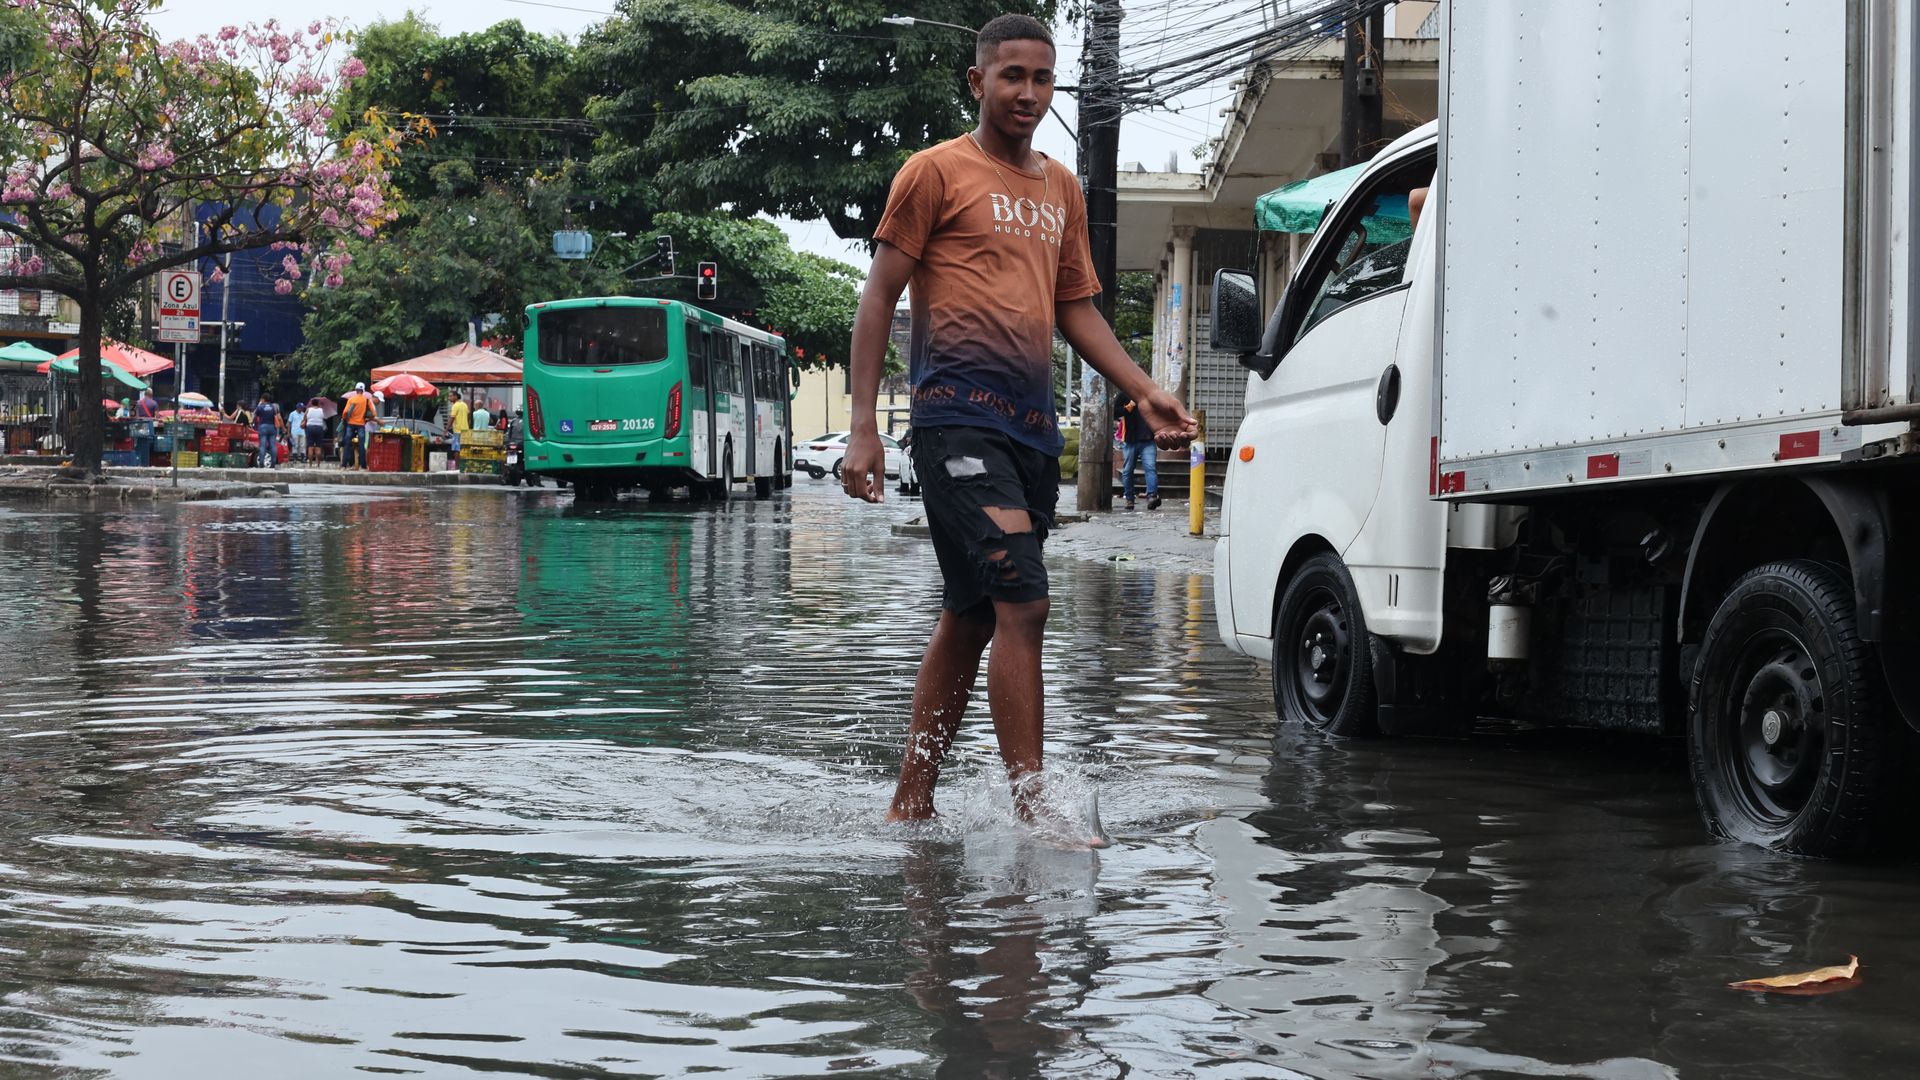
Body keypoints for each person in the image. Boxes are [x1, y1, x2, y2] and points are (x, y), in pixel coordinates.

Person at [842, 14, 1196, 844]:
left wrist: (1146, 390)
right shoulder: (934, 173)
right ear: (978, 83)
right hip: (954, 420)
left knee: (970, 612)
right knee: (1024, 601)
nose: (1028, 94)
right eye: (1012, 77)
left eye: (1042, 79)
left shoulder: (1062, 188)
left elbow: (1078, 309)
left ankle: (912, 801)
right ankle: (1034, 806)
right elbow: (878, 295)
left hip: (1032, 432)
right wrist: (864, 427)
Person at [1112, 390, 1161, 510]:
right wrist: (1128, 407)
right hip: (1130, 440)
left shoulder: (1150, 394)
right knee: (1127, 471)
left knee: (1150, 468)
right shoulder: (1124, 394)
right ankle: (1129, 499)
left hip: (1148, 439)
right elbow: (1114, 412)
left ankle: (1152, 496)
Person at [340, 383, 376, 469]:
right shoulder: (366, 400)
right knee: (361, 445)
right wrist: (367, 418)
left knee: (347, 444)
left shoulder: (351, 400)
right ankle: (363, 466)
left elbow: (345, 412)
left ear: (356, 390)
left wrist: (346, 418)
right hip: (361, 425)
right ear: (363, 390)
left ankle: (344, 465)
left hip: (350, 424)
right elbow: (374, 413)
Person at [253, 393, 280, 468]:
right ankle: (273, 463)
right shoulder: (273, 407)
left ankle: (261, 463)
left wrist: (259, 404)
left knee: (262, 446)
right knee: (273, 445)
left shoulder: (260, 407)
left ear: (263, 399)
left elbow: (254, 415)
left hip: (263, 427)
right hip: (272, 427)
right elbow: (278, 417)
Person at [448, 394, 470, 468]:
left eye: (451, 396)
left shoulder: (455, 405)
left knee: (456, 450)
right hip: (465, 430)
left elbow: (452, 418)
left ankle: (457, 467)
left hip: (458, 431)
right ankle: (463, 466)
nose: (449, 398)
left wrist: (446, 429)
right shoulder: (464, 405)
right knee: (463, 449)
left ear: (456, 397)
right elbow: (468, 416)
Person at [305, 398, 327, 464]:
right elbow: (323, 417)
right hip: (319, 428)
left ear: (311, 403)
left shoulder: (308, 409)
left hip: (310, 428)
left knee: (310, 447)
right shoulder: (321, 410)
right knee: (318, 447)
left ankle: (310, 464)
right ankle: (318, 464)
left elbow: (305, 417)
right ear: (318, 403)